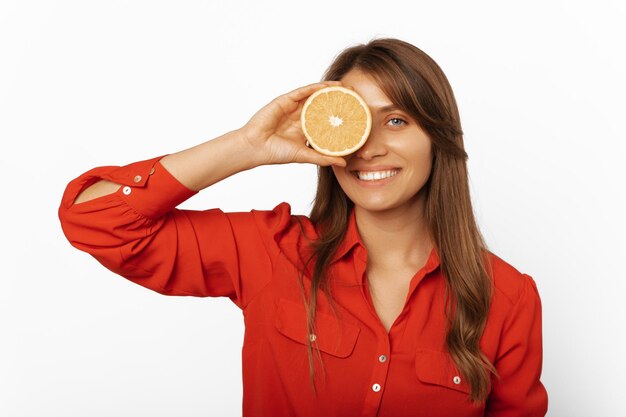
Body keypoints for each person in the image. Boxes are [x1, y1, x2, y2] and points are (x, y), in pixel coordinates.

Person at [58, 38, 548, 416]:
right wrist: (248, 145)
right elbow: (93, 220)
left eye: (396, 120)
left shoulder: (508, 298)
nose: (370, 147)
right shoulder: (271, 251)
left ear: (437, 137)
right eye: (354, 120)